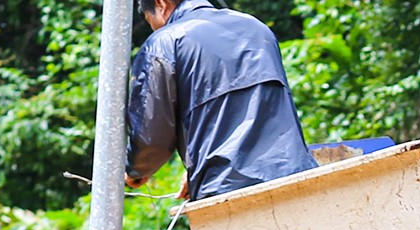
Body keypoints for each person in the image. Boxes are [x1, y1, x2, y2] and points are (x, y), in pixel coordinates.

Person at [124, 0, 315, 201]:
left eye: (149, 20)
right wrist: (199, 170)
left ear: (160, 4)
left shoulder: (165, 42)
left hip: (226, 191)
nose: (153, 28)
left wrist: (137, 169)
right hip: (295, 175)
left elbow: (152, 134)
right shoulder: (256, 28)